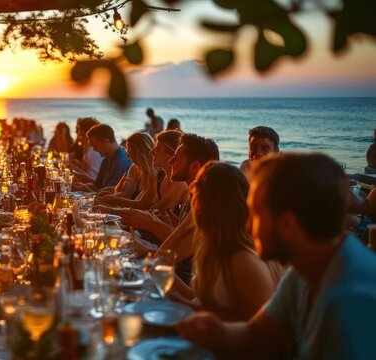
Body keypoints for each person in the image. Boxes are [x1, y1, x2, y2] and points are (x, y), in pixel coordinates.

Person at [178, 153, 376, 359]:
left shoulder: (352, 304)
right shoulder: (304, 270)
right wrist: (218, 331)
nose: (247, 226)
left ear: (287, 225)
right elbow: (257, 335)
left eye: (255, 215)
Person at [171, 162, 282, 321]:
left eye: (199, 187)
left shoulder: (244, 261)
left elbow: (256, 335)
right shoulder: (217, 247)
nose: (192, 188)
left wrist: (174, 298)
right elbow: (212, 307)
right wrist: (171, 292)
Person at [124, 133, 219, 283]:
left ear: (195, 166)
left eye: (176, 158)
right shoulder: (193, 194)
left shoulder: (205, 201)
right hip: (175, 270)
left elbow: (185, 253)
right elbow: (181, 239)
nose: (171, 162)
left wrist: (149, 243)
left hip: (184, 277)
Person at [96, 132, 159, 209]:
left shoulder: (156, 174)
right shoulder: (134, 168)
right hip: (132, 212)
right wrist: (105, 193)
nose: (127, 154)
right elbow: (125, 192)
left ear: (139, 152)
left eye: (129, 149)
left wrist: (112, 200)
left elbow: (142, 205)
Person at [72, 124, 132, 192]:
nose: (94, 149)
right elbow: (97, 186)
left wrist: (82, 188)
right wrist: (78, 186)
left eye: (96, 146)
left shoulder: (120, 161)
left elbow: (109, 193)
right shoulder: (106, 159)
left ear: (106, 142)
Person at [70, 117, 102, 183]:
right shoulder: (88, 149)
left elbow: (94, 180)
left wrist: (72, 167)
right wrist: (78, 164)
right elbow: (87, 171)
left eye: (81, 134)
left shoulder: (95, 152)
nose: (79, 138)